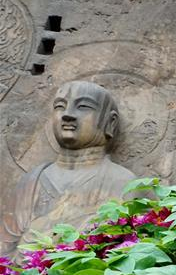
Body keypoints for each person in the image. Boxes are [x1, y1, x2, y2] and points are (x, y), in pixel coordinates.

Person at [0, 81, 136, 257]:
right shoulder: (32, 181)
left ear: (110, 122)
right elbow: (5, 252)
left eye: (83, 106)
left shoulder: (125, 183)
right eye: (60, 106)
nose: (68, 115)